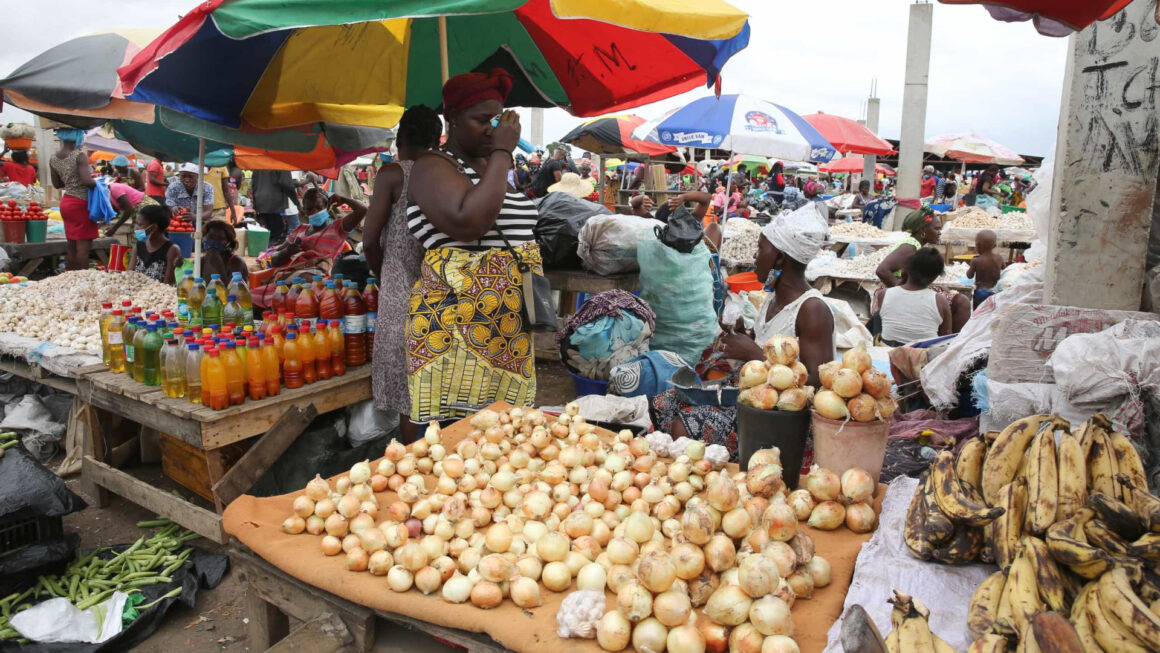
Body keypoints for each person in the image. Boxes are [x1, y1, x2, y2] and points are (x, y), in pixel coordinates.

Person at [403, 68, 541, 424]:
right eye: (483, 120)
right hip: (454, 337)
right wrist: (502, 153)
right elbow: (469, 222)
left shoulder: (490, 169)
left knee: (505, 444)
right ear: (451, 118)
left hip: (505, 337)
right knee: (452, 450)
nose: (493, 129)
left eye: (498, 120)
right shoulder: (432, 166)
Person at [650, 206, 834, 459]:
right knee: (664, 403)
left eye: (761, 250)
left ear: (780, 259)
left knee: (686, 423)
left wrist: (755, 354)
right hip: (753, 396)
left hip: (782, 417)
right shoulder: (771, 300)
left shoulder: (812, 309)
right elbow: (771, 350)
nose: (755, 257)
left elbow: (820, 380)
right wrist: (744, 337)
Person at [364, 105, 442, 443]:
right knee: (433, 378)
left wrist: (383, 272)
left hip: (399, 285)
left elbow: (369, 237)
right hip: (439, 284)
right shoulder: (445, 174)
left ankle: (410, 457)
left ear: (402, 138)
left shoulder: (393, 173)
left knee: (406, 387)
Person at [251, 187, 366, 308]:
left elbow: (362, 210)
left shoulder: (337, 228)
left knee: (299, 289)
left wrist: (343, 199)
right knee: (249, 300)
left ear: (327, 207)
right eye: (310, 209)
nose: (315, 211)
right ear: (304, 211)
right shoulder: (300, 230)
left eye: (319, 207)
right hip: (289, 279)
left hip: (315, 280)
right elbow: (273, 260)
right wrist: (287, 251)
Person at [874, 207, 972, 332]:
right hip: (897, 290)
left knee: (950, 295)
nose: (939, 232)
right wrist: (902, 295)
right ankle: (952, 343)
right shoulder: (910, 246)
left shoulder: (916, 245)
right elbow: (882, 270)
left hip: (907, 288)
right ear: (923, 230)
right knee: (961, 303)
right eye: (936, 228)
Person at [876, 246, 951, 346]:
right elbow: (945, 340)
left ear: (907, 268)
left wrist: (903, 279)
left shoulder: (883, 294)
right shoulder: (940, 301)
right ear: (935, 276)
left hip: (888, 354)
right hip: (922, 357)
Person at [49, 128, 97, 271]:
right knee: (83, 246)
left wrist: (70, 182)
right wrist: (101, 185)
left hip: (67, 202)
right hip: (81, 203)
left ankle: (71, 276)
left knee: (71, 244)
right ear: (78, 136)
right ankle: (82, 277)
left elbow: (57, 184)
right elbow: (87, 181)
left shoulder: (53, 158)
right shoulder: (79, 155)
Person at [129, 204, 183, 284]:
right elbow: (130, 275)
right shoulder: (139, 245)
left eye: (140, 225)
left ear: (154, 227)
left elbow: (167, 285)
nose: (136, 228)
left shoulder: (172, 250)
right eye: (136, 223)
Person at [250, 169, 301, 245]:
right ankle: (270, 254)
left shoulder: (259, 161)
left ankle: (268, 253)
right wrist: (297, 203)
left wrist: (255, 204)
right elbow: (287, 184)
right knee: (276, 236)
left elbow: (253, 182)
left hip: (261, 202)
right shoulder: (280, 161)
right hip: (275, 203)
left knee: (271, 234)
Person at [967, 229, 1004, 307]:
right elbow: (1004, 268)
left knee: (978, 311)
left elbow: (969, 275)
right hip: (995, 292)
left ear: (978, 245)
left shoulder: (976, 260)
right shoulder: (999, 258)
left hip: (980, 293)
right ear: (994, 245)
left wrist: (970, 268)